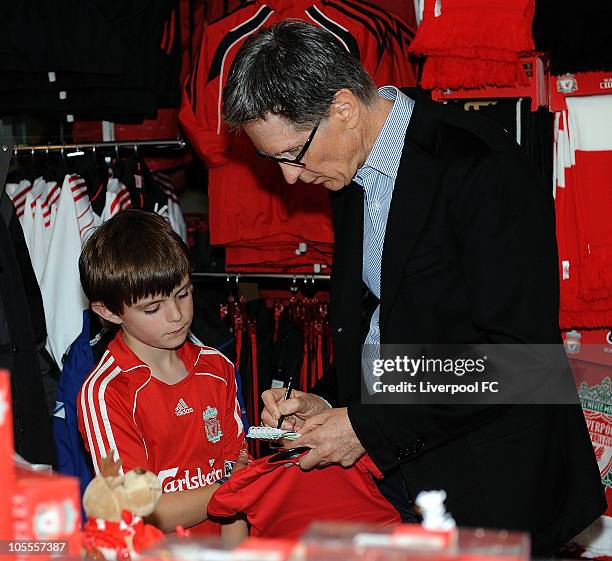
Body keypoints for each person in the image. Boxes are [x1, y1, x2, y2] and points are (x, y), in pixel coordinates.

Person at [222, 20, 606, 555]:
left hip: (492, 488)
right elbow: (391, 318)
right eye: (274, 161)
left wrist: (367, 425)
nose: (288, 178)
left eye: (291, 154)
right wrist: (329, 401)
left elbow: (521, 361)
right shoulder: (349, 169)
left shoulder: (478, 166)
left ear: (344, 108)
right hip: (404, 474)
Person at [77, 210, 248, 540]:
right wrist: (230, 489)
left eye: (183, 293)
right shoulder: (106, 393)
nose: (177, 316)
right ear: (109, 311)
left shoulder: (219, 369)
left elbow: (238, 504)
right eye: (153, 308)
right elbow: (139, 513)